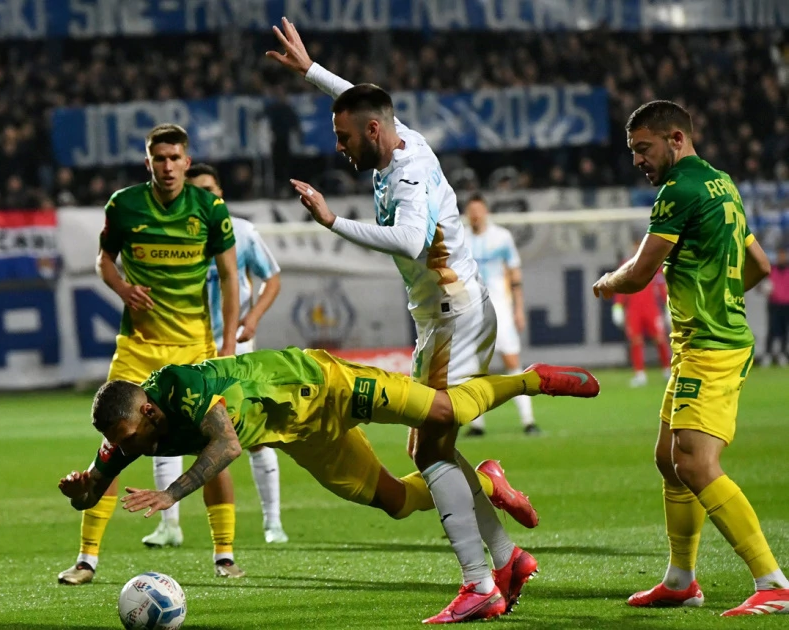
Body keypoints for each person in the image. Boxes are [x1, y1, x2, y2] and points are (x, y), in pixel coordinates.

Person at [267, 18, 538, 622]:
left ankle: (479, 583)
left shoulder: (408, 174)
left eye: (343, 137)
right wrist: (311, 71)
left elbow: (413, 241)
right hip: (442, 318)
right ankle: (505, 557)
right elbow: (363, 100)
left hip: (454, 319)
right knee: (430, 446)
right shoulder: (398, 135)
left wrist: (333, 223)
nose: (338, 146)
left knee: (428, 449)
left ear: (371, 133)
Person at [60, 350, 598, 621]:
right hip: (300, 435)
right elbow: (95, 484)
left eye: (126, 436)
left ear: (149, 411)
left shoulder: (183, 388)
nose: (123, 448)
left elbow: (225, 446)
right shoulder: (125, 436)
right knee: (393, 500)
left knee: (439, 412)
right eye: (115, 442)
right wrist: (82, 490)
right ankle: (482, 478)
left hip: (322, 384)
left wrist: (170, 494)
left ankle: (534, 378)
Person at [593, 100, 789, 616]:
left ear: (675, 139)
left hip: (710, 348)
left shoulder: (677, 190)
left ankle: (773, 581)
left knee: (697, 464)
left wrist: (606, 282)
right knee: (669, 460)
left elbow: (636, 275)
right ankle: (680, 579)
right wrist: (722, 299)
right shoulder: (722, 183)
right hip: (701, 343)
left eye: (643, 148)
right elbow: (760, 264)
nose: (637, 159)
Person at [58, 125, 243, 586]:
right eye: (158, 158)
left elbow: (230, 275)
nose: (166, 166)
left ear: (186, 160)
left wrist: (227, 348)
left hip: (194, 351)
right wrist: (122, 287)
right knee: (111, 448)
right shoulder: (124, 205)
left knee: (214, 443)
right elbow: (104, 261)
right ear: (148, 162)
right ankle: (87, 559)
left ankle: (224, 554)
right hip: (138, 349)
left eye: (174, 157)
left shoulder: (209, 208)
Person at [144, 163, 291, 547]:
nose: (206, 197)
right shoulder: (173, 238)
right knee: (165, 427)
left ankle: (272, 523)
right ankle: (168, 525)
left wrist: (254, 317)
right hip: (184, 345)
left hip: (235, 348)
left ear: (220, 192)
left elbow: (271, 278)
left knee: (256, 434)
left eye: (210, 189)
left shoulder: (241, 232)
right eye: (198, 191)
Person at [462, 195, 538, 436]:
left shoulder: (502, 237)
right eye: (471, 210)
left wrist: (518, 308)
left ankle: (528, 420)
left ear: (485, 212)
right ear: (467, 213)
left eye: (478, 209)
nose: (475, 214)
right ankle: (477, 424)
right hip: (470, 309)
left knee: (512, 360)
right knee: (474, 365)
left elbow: (515, 273)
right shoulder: (459, 238)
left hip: (500, 307)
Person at [612, 240, 672, 387]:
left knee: (660, 339)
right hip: (634, 310)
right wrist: (618, 307)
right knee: (636, 341)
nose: (637, 247)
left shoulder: (654, 265)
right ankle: (640, 374)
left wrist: (668, 307)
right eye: (635, 245)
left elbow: (662, 287)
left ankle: (667, 370)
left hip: (651, 309)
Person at [762, 247, 789, 366]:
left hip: (786, 305)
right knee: (772, 330)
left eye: (783, 256)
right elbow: (762, 287)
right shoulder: (772, 270)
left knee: (784, 330)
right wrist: (764, 289)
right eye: (780, 256)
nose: (781, 258)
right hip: (774, 304)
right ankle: (767, 354)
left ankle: (782, 354)